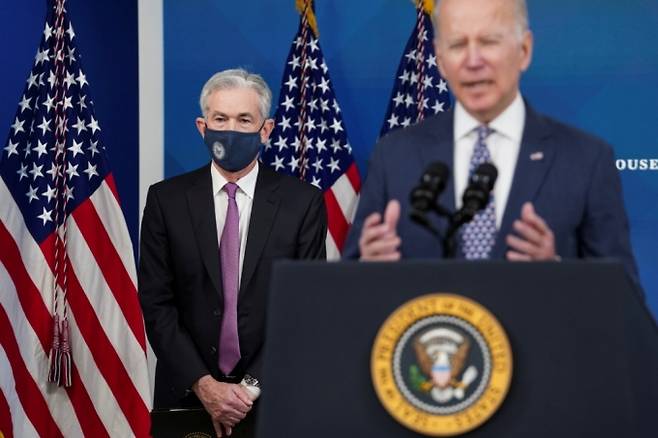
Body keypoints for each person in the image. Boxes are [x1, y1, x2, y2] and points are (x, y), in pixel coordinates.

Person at [343, 0, 640, 286]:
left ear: (524, 50)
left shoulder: (586, 159)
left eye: (489, 42)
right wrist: (370, 273)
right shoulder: (395, 156)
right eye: (458, 45)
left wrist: (558, 275)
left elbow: (625, 301)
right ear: (441, 60)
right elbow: (346, 291)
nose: (473, 61)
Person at [139, 68, 327, 437]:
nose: (231, 129)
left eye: (244, 119)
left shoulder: (302, 202)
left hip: (272, 395)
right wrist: (205, 385)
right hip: (187, 393)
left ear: (266, 129)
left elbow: (304, 307)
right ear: (201, 125)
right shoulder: (166, 200)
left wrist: (247, 389)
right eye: (220, 118)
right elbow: (157, 302)